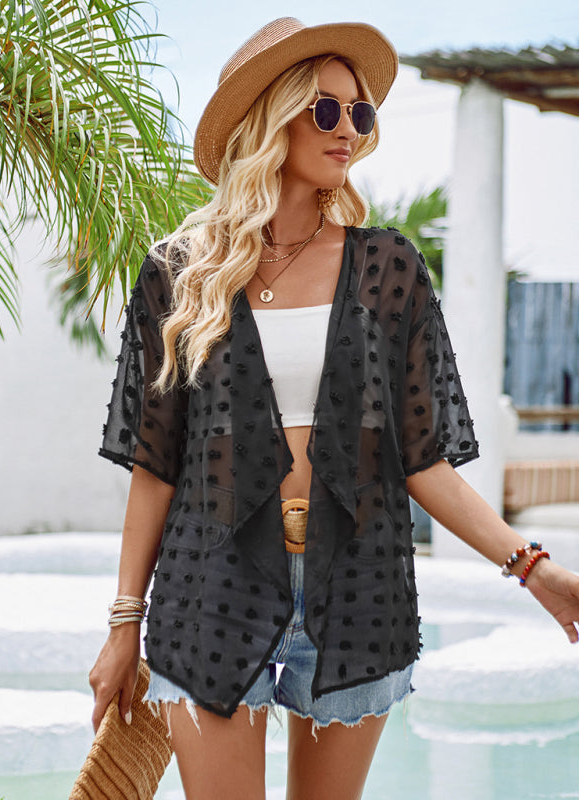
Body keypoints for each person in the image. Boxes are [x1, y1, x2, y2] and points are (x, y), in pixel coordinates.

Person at [89, 17, 579, 800]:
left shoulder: (388, 269)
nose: (348, 128)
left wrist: (533, 567)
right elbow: (156, 463)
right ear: (271, 117)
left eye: (360, 112)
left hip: (357, 588)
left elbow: (423, 461)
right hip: (209, 585)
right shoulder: (180, 274)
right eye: (325, 109)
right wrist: (123, 623)